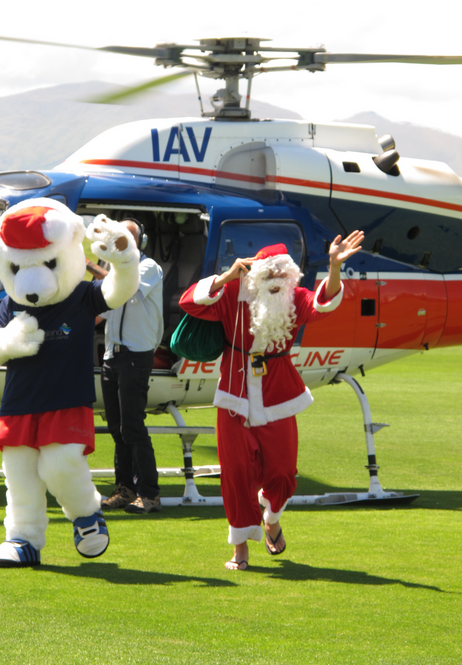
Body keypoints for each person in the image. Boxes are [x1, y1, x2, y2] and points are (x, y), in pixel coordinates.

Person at [179, 231, 364, 570]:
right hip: (234, 396)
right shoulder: (233, 291)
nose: (277, 280)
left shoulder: (294, 298)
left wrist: (335, 267)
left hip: (279, 396)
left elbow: (325, 304)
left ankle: (272, 516)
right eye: (269, 273)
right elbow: (189, 302)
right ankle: (240, 549)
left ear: (292, 276)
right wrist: (224, 276)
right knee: (235, 474)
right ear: (255, 275)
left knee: (282, 473)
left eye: (283, 273)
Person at [86, 219, 164, 513]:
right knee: (117, 428)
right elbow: (104, 308)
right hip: (112, 356)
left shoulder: (148, 268)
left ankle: (150, 494)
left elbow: (124, 289)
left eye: (125, 240)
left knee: (133, 427)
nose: (121, 246)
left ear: (138, 244)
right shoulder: (117, 274)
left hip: (135, 356)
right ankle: (126, 489)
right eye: (117, 241)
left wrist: (88, 266)